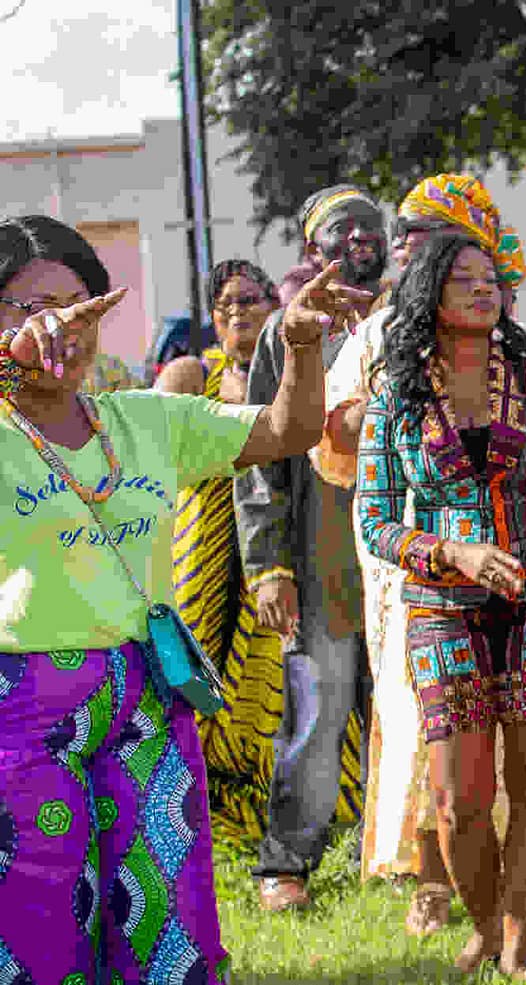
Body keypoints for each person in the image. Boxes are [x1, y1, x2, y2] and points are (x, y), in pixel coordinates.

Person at [0, 214, 366, 985]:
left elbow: (286, 430)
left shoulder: (146, 420)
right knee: (37, 940)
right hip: (23, 713)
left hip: (148, 702)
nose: (60, 327)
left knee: (170, 938)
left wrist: (298, 343)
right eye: (30, 307)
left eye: (76, 305)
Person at [357, 232, 526, 978]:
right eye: (464, 279)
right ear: (428, 293)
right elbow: (374, 520)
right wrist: (452, 551)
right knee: (459, 796)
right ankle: (482, 927)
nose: (485, 289)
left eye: (492, 279)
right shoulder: (397, 395)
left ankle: (518, 947)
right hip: (441, 606)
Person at [315, 173, 526, 936]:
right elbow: (330, 436)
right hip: (405, 550)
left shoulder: (504, 336)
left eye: (425, 231)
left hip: (502, 552)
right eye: (403, 230)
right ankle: (432, 880)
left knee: (493, 724)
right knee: (420, 713)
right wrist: (395, 407)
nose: (405, 243)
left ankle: (494, 882)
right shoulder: (378, 334)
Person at [235, 184, 386, 911]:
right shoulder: (288, 331)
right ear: (311, 249)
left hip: (403, 557)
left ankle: (392, 856)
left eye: (370, 227)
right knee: (317, 718)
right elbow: (258, 450)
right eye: (343, 230)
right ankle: (285, 864)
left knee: (402, 712)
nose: (360, 238)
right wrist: (268, 564)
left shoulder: (409, 316)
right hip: (322, 558)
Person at [156, 259, 292, 844]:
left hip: (269, 554)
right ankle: (183, 798)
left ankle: (261, 802)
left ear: (273, 307)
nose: (237, 311)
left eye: (249, 299)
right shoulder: (193, 374)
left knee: (262, 675)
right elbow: (153, 447)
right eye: (224, 304)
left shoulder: (290, 378)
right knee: (191, 671)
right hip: (201, 551)